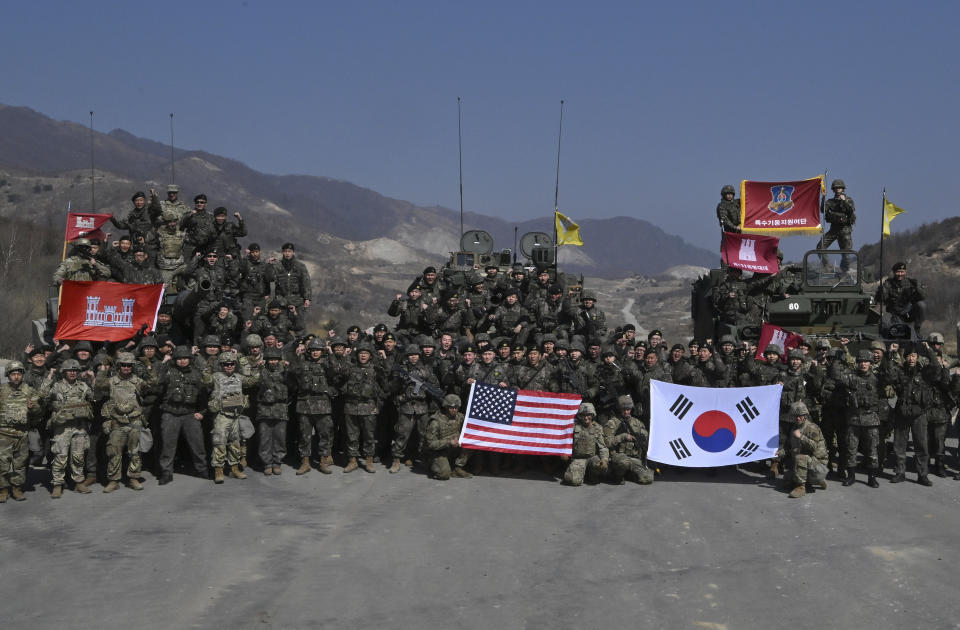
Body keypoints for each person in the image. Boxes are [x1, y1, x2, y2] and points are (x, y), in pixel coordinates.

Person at [94, 351, 156, 493]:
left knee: (135, 452)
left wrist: (148, 365)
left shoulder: (137, 381)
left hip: (135, 421)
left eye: (129, 365)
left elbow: (153, 383)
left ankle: (134, 478)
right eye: (123, 365)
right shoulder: (112, 381)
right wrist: (104, 367)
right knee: (114, 452)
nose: (126, 368)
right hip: (117, 422)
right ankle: (113, 480)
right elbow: (98, 385)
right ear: (118, 366)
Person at [155, 346, 210, 485]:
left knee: (197, 443)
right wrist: (164, 364)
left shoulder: (196, 374)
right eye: (179, 358)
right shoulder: (168, 372)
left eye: (185, 358)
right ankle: (166, 472)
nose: (182, 361)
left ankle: (202, 469)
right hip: (170, 413)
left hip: (190, 413)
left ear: (190, 359)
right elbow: (157, 386)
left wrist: (202, 412)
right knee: (168, 445)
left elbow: (204, 394)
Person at [40, 360, 94, 497]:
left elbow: (95, 397)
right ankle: (57, 484)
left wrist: (93, 379)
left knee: (78, 456)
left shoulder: (83, 386)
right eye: (69, 370)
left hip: (79, 427)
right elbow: (42, 397)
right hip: (62, 428)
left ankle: (79, 482)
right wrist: (48, 378)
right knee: (60, 456)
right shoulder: (57, 386)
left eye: (75, 370)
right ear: (64, 372)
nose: (72, 372)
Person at [207, 350, 259, 484]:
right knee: (220, 443)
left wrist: (242, 358)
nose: (229, 366)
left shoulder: (239, 377)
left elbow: (253, 380)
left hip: (236, 415)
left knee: (236, 443)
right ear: (221, 365)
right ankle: (218, 471)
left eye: (231, 364)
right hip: (222, 416)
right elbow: (204, 379)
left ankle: (234, 469)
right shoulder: (216, 377)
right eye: (226, 364)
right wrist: (209, 362)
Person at [293, 338, 337, 475]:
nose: (315, 352)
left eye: (318, 350)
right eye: (312, 350)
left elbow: (337, 373)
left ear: (322, 351)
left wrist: (331, 355)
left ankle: (323, 461)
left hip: (323, 405)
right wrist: (298, 356)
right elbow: (292, 373)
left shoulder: (327, 364)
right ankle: (305, 462)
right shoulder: (303, 363)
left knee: (325, 434)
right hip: (305, 405)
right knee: (304, 436)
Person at [0, 362, 42, 502]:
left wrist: (33, 407)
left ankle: (17, 489)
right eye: (13, 374)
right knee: (2, 463)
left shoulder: (29, 391)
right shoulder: (1, 390)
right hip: (4, 434)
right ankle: (3, 490)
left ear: (22, 375)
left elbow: (38, 413)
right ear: (8, 375)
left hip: (22, 434)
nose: (16, 376)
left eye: (19, 373)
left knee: (20, 463)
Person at [779, 401, 828, 498]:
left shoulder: (812, 427)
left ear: (805, 415)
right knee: (786, 482)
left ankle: (801, 487)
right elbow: (789, 447)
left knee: (800, 458)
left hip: (817, 463)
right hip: (804, 463)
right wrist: (780, 452)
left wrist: (801, 436)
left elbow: (814, 446)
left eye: (800, 416)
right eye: (795, 416)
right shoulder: (794, 428)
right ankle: (816, 480)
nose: (797, 418)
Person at [602, 396, 653, 485]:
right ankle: (616, 475)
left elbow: (646, 438)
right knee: (623, 462)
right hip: (618, 458)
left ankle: (629, 474)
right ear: (619, 409)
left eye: (628, 409)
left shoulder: (637, 423)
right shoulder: (612, 423)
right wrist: (622, 437)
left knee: (648, 478)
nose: (626, 412)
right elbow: (606, 443)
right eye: (623, 409)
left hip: (634, 458)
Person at [421, 394, 473, 480]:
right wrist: (449, 442)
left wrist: (459, 438)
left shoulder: (460, 417)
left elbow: (467, 430)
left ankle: (457, 468)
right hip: (437, 452)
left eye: (456, 407)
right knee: (444, 475)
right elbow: (430, 444)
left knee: (470, 442)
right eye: (451, 407)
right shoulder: (435, 421)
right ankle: (432, 465)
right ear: (446, 407)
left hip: (453, 448)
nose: (454, 410)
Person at [560, 402, 608, 486]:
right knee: (572, 480)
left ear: (592, 415)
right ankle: (580, 473)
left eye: (588, 415)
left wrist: (604, 459)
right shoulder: (573, 427)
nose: (586, 418)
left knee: (601, 466)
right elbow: (566, 442)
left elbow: (602, 447)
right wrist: (565, 453)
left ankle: (592, 475)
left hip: (592, 458)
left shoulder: (597, 428)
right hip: (578, 458)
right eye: (583, 415)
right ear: (579, 415)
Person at [875, 262, 927, 333]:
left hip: (907, 314)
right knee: (883, 324)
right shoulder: (888, 283)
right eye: (898, 272)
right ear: (894, 272)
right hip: (893, 315)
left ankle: (917, 330)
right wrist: (882, 291)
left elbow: (923, 296)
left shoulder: (911, 282)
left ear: (905, 272)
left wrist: (918, 288)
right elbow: (880, 299)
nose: (900, 274)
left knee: (921, 305)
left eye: (902, 272)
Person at [821, 178, 856, 271]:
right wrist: (823, 197)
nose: (838, 189)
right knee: (820, 247)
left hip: (845, 230)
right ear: (833, 189)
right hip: (834, 229)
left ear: (843, 189)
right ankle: (826, 265)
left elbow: (851, 211)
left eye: (839, 188)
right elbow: (822, 210)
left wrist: (844, 201)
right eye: (836, 188)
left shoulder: (848, 200)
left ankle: (844, 271)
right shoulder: (830, 202)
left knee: (847, 254)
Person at [269, 243, 312, 309]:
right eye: (285, 251)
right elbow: (269, 279)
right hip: (281, 301)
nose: (287, 253)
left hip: (297, 301)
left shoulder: (300, 266)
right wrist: (269, 266)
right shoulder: (277, 266)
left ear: (293, 252)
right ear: (283, 252)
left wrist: (307, 298)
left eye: (289, 251)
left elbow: (306, 283)